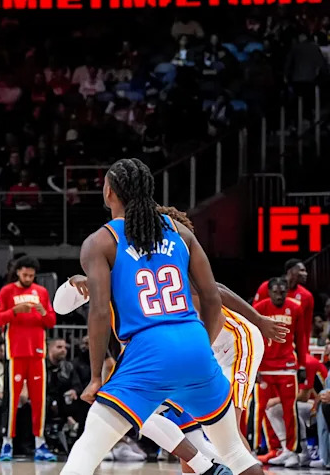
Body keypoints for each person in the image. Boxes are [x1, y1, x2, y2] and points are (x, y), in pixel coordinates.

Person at [58, 157, 263, 475]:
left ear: (109, 191)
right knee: (235, 452)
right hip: (193, 340)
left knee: (85, 451)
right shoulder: (180, 231)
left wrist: (97, 376)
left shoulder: (99, 242)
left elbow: (99, 312)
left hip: (149, 348)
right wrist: (200, 348)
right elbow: (211, 298)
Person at [0, 256, 56, 460]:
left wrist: (44, 311)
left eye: (31, 275)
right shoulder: (7, 291)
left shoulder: (42, 292)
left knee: (39, 402)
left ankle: (40, 443)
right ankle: (7, 443)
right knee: (11, 401)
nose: (28, 278)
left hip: (37, 354)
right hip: (15, 353)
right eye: (25, 274)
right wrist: (14, 311)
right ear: (18, 272)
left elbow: (51, 322)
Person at [251, 276, 309, 466]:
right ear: (269, 292)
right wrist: (256, 366)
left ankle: (291, 451)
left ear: (287, 291)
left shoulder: (295, 308)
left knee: (289, 410)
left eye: (282, 291)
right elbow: (253, 339)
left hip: (287, 366)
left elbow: (301, 338)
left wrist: (302, 365)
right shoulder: (259, 309)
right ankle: (252, 450)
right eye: (275, 291)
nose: (279, 295)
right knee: (258, 410)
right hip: (265, 367)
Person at [253, 259, 313, 336]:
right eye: (302, 270)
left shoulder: (307, 295)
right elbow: (254, 314)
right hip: (266, 339)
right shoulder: (266, 287)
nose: (305, 274)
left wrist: (304, 347)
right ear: (290, 271)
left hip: (288, 341)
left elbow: (306, 327)